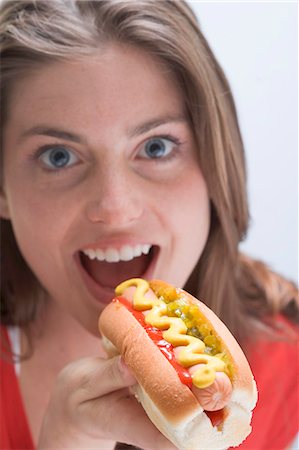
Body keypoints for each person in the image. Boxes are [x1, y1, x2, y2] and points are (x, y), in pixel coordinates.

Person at [0, 1, 298, 449]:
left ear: (215, 165)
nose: (115, 209)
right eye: (57, 156)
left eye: (156, 147)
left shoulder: (284, 363)